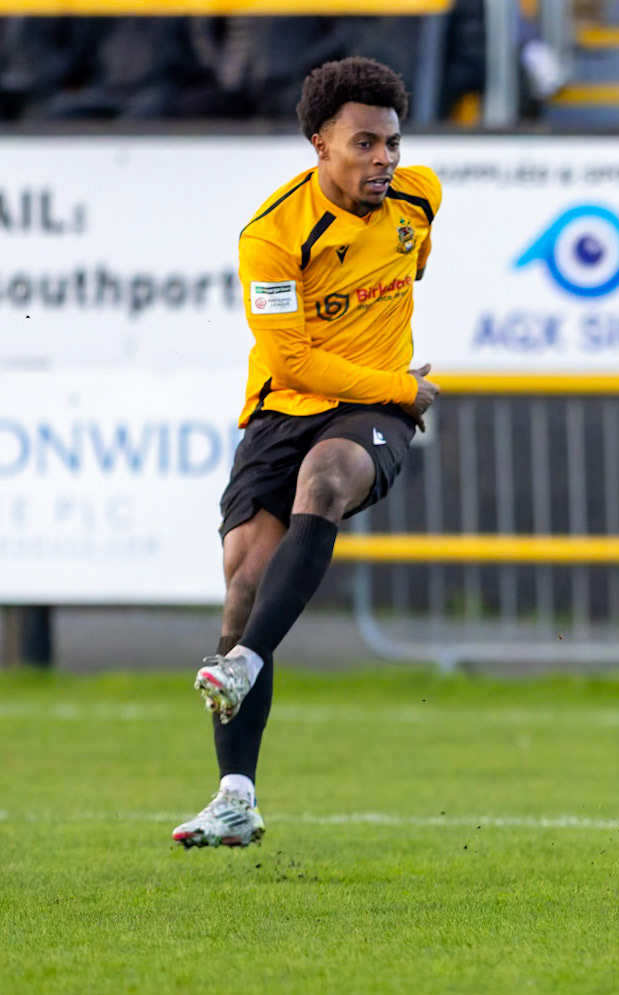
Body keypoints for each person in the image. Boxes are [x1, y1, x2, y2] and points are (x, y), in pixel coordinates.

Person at [172, 57, 440, 849]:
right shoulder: (271, 236)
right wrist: (398, 379)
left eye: (390, 142)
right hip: (284, 409)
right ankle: (234, 796)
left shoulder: (420, 197)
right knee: (242, 585)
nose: (382, 159)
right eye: (363, 144)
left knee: (329, 477)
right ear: (318, 142)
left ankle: (246, 661)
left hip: (369, 410)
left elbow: (409, 262)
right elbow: (290, 365)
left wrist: (390, 390)